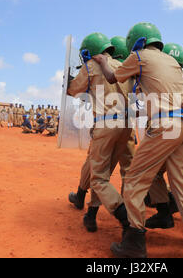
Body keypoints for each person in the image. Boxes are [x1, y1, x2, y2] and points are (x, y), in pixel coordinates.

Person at [94, 22, 183, 258]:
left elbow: (112, 78)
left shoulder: (140, 56)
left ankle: (134, 243)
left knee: (134, 182)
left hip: (165, 125)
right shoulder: (172, 62)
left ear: (137, 42)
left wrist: (102, 61)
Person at [68, 32, 136, 237]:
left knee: (98, 176)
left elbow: (73, 91)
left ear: (90, 51)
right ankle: (91, 214)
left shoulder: (91, 66)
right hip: (126, 126)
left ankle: (126, 220)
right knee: (103, 175)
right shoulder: (123, 66)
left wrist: (69, 79)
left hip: (105, 125)